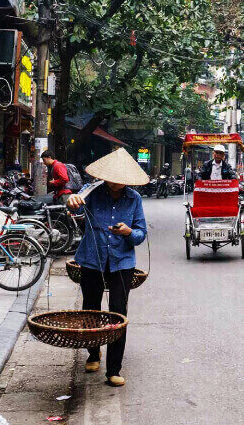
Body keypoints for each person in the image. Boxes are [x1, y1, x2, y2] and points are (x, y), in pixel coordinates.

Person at [66, 148, 149, 387]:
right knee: (91, 309)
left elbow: (141, 234)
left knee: (117, 313)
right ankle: (93, 353)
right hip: (92, 258)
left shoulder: (134, 199)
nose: (114, 182)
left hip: (122, 262)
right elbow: (75, 208)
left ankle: (114, 368)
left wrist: (128, 232)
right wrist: (72, 201)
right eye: (110, 177)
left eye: (119, 179)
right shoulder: (91, 190)